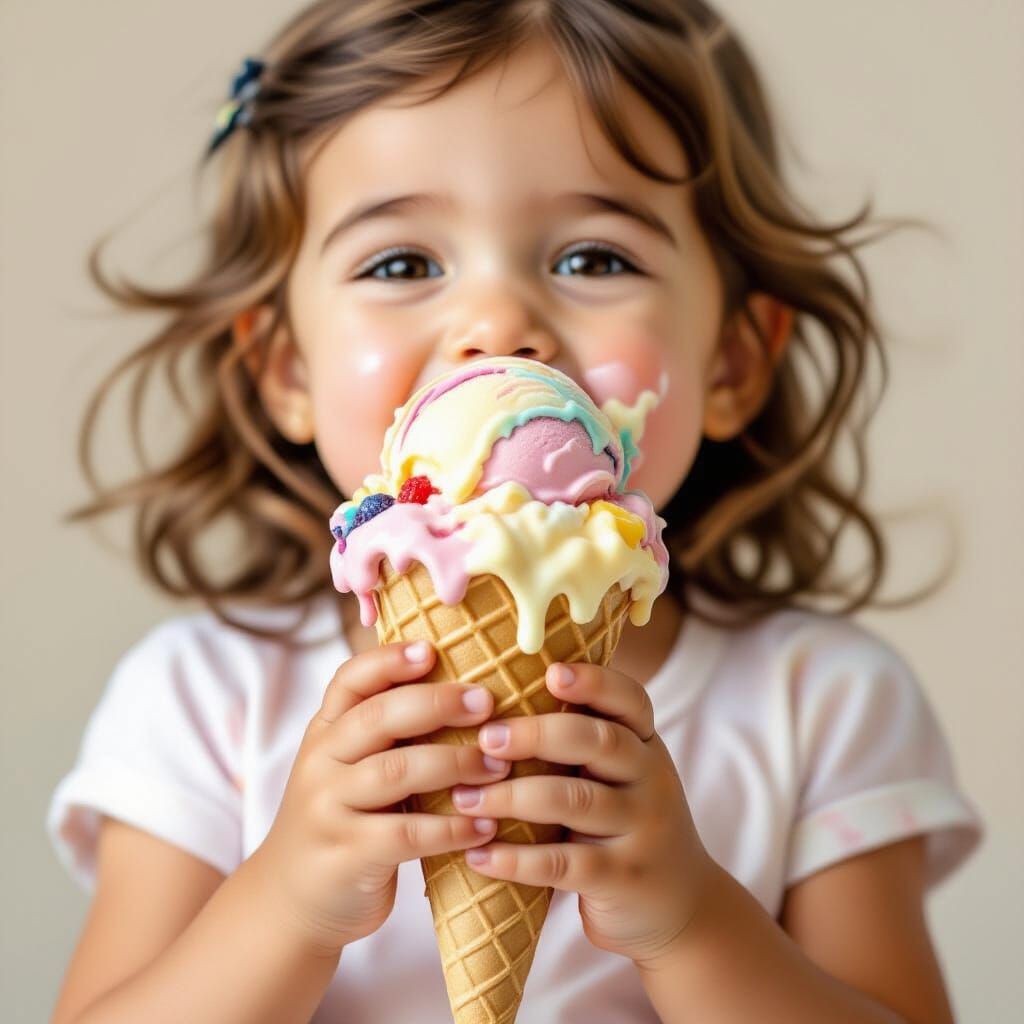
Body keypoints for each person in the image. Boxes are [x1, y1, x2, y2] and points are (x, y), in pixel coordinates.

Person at [46, 2, 983, 1021]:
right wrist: (284, 902)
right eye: (402, 264)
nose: (497, 325)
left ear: (732, 360)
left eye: (593, 258)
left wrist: (693, 922)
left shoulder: (824, 703)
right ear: (284, 365)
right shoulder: (204, 702)